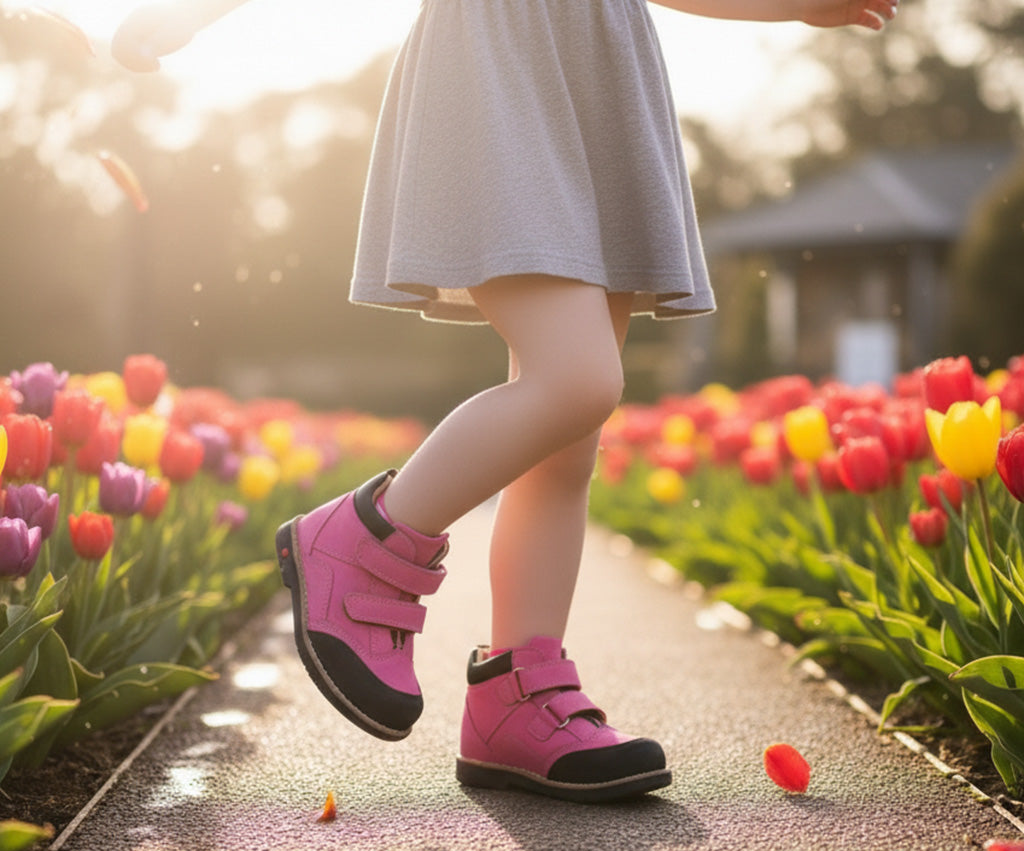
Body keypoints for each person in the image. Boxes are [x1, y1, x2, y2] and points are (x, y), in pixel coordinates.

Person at [112, 0, 896, 803]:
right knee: (579, 380)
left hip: (602, 69)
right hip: (494, 65)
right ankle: (360, 542)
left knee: (569, 442)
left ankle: (516, 703)